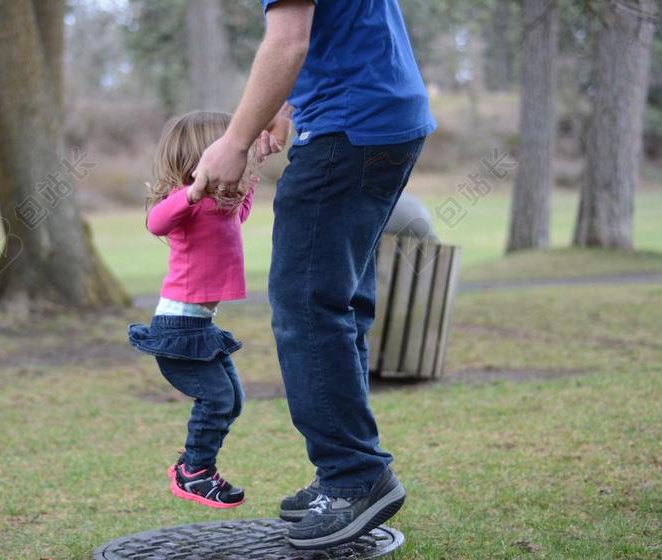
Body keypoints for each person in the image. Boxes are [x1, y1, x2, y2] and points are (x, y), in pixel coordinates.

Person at [187, 0, 436, 549]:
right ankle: (344, 475)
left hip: (348, 129)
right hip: (383, 119)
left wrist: (233, 141)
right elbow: (336, 31)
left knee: (306, 305)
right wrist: (291, 100)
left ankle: (354, 476)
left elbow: (288, 40)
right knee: (338, 303)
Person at [127, 111, 262, 509]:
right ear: (203, 157)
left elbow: (241, 211)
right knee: (218, 400)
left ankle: (194, 466)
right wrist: (192, 191)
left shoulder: (221, 207)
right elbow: (155, 222)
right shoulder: (184, 204)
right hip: (178, 328)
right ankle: (195, 472)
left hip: (199, 327)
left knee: (233, 400)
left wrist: (255, 164)